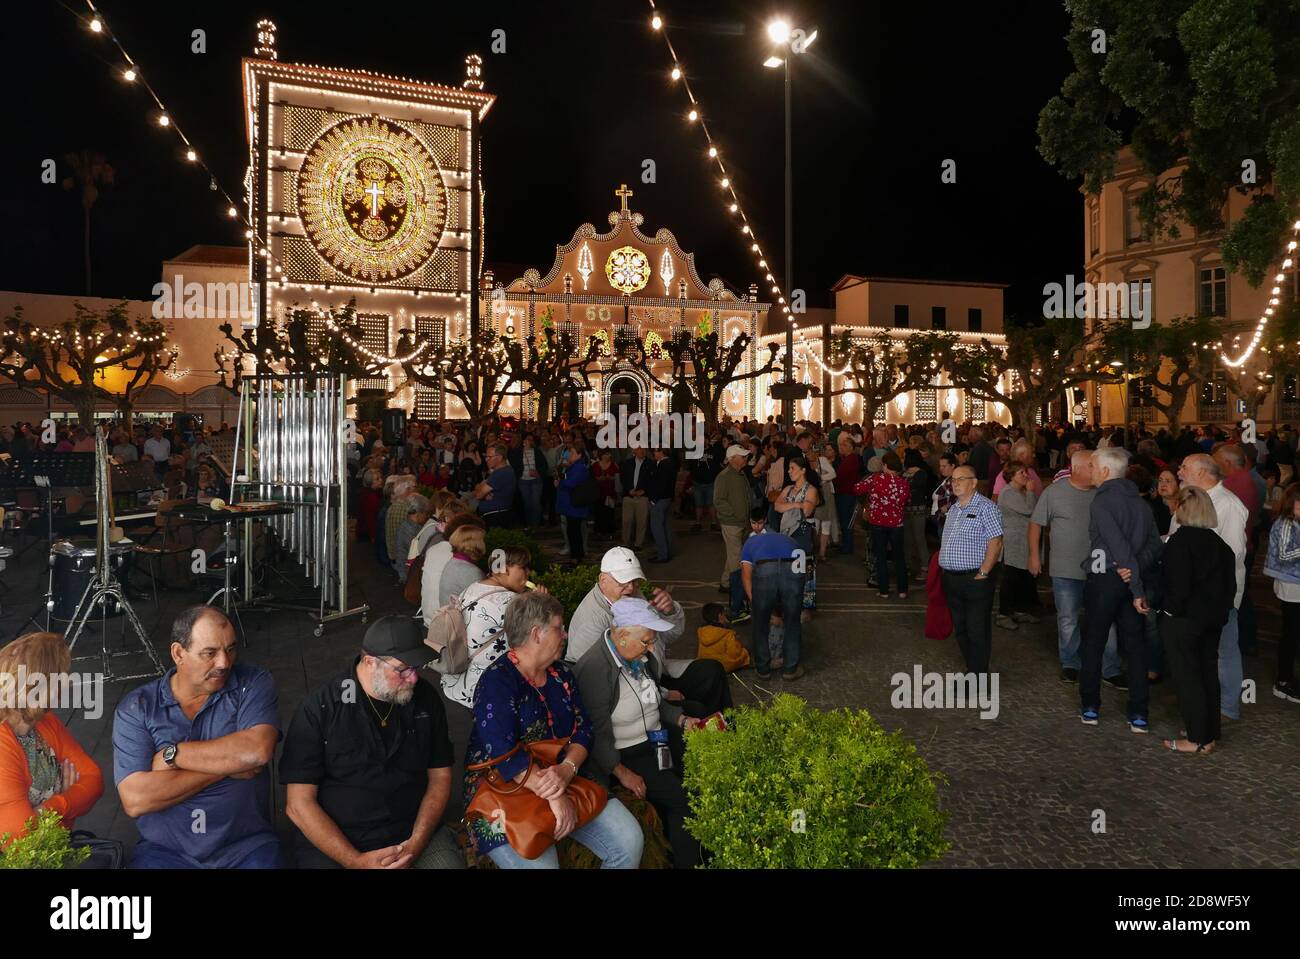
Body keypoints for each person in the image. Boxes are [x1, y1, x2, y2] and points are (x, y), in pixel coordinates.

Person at [463, 591, 644, 869]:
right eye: (560, 628)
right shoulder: (496, 682)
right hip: (503, 790)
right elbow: (502, 753)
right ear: (537, 634)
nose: (566, 634)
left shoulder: (561, 674)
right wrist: (556, 796)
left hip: (563, 775)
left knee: (629, 841)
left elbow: (584, 730)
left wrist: (567, 769)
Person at [280, 617, 463, 868]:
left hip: (412, 830)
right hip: (340, 839)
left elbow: (440, 777)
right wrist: (354, 860)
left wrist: (416, 843)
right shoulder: (321, 709)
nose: (414, 678)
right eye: (402, 669)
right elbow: (298, 805)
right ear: (370, 662)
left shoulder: (425, 700)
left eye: (417, 667)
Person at [113, 607, 281, 868]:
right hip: (165, 852)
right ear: (179, 653)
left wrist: (174, 755)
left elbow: (256, 751)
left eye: (231, 649)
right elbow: (136, 800)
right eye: (210, 653)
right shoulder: (138, 707)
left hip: (246, 846)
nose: (225, 662)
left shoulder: (252, 683)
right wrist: (226, 767)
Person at [573, 597, 703, 869]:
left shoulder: (636, 657)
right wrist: (620, 771)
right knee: (684, 801)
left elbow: (653, 699)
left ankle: (699, 847)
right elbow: (594, 730)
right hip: (628, 753)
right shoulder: (596, 669)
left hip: (657, 740)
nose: (650, 648)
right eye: (646, 641)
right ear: (621, 636)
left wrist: (680, 719)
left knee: (699, 770)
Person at [567, 547, 731, 716]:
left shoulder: (632, 595)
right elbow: (601, 682)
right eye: (623, 582)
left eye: (635, 581)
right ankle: (705, 732)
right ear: (603, 580)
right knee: (694, 710)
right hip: (629, 691)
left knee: (712, 671)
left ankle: (724, 729)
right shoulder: (591, 619)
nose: (631, 587)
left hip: (654, 671)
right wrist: (663, 693)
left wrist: (670, 612)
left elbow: (667, 635)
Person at [1143, 487, 1235, 753]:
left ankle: (1197, 738)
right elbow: (1231, 586)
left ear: (1182, 508)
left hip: (1184, 621)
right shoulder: (1221, 545)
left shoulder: (1180, 542)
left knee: (1188, 677)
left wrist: (1167, 611)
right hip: (1213, 620)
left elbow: (1177, 589)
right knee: (1207, 674)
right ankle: (1208, 731)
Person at [1079, 448, 1159, 733]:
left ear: (1103, 471)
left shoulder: (1101, 503)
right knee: (1135, 646)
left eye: (1091, 466)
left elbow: (1116, 544)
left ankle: (1090, 706)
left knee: (1093, 642)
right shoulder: (1141, 504)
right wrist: (1135, 568)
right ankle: (1139, 712)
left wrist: (1131, 576)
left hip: (1107, 581)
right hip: (1130, 579)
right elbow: (1154, 546)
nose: (1087, 470)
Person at [1028, 450, 1122, 684]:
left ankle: (1109, 667)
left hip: (1100, 569)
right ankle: (1071, 663)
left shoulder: (1103, 493)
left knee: (1105, 619)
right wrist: (1034, 556)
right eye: (1093, 466)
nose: (1097, 470)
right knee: (1068, 618)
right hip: (1065, 569)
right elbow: (1036, 524)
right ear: (1078, 468)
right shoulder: (1054, 492)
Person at [0, 633, 104, 844]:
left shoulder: (45, 722)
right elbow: (22, 839)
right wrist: (69, 802)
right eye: (62, 676)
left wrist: (54, 807)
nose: (67, 684)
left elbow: (94, 779)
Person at [1172, 454, 1248, 723]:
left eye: (1184, 467)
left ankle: (1227, 706)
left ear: (1204, 473)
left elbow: (1234, 553)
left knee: (1224, 650)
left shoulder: (1228, 504)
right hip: (1193, 596)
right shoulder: (1191, 497)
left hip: (1215, 596)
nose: (1179, 471)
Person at [937, 466, 1003, 674]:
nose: (955, 483)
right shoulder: (954, 508)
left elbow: (996, 541)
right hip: (951, 579)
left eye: (961, 479)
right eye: (953, 480)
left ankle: (977, 675)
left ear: (973, 483)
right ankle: (973, 668)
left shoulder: (987, 507)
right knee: (961, 628)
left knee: (977, 629)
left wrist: (983, 572)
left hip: (975, 578)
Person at [740, 506, 808, 680]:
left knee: (760, 624)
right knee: (793, 621)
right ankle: (790, 669)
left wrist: (756, 603)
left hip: (765, 567)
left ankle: (763, 669)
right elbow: (803, 572)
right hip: (794, 565)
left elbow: (746, 575)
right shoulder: (788, 540)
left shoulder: (749, 543)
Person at [1263, 482, 1300, 704]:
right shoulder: (1286, 523)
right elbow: (1285, 555)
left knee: (1293, 632)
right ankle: (1283, 680)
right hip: (1291, 585)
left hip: (1295, 583)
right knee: (1291, 633)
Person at [996, 461, 1039, 629]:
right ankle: (1003, 614)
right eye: (1021, 473)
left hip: (1023, 541)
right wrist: (1030, 491)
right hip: (1013, 542)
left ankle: (1020, 610)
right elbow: (1029, 509)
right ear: (1011, 476)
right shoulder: (1007, 493)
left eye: (1025, 472)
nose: (1026, 475)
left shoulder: (1018, 491)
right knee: (1010, 579)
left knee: (1023, 577)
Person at [862, 451, 910, 599]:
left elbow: (857, 488)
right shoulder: (904, 482)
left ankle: (884, 590)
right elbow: (906, 501)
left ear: (885, 465)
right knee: (899, 557)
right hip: (897, 524)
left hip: (878, 523)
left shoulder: (876, 479)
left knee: (881, 556)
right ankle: (903, 590)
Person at [714, 443, 754, 593]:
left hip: (740, 522)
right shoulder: (724, 476)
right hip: (731, 523)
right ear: (732, 459)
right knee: (736, 558)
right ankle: (737, 587)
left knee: (733, 554)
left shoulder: (740, 474)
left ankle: (725, 583)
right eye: (742, 456)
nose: (745, 458)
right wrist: (735, 513)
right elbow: (718, 501)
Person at [556, 443, 592, 561]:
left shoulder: (579, 467)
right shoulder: (575, 466)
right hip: (571, 504)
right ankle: (576, 555)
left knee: (574, 532)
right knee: (573, 530)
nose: (569, 455)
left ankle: (576, 556)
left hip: (574, 505)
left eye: (572, 453)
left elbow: (571, 483)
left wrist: (560, 483)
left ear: (579, 455)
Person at [437, 523, 489, 606]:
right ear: (475, 544)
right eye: (483, 540)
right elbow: (487, 602)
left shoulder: (454, 562)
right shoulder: (469, 571)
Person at [509, 432, 549, 530]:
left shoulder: (536, 451)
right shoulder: (518, 451)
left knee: (536, 502)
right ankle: (529, 523)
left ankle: (535, 524)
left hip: (536, 480)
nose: (529, 441)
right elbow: (513, 464)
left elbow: (544, 465)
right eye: (527, 439)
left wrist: (539, 473)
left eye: (531, 440)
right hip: (523, 480)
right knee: (527, 503)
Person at [473, 444, 517, 528]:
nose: (486, 459)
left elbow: (478, 495)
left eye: (489, 457)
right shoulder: (501, 471)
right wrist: (484, 493)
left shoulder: (501, 473)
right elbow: (479, 489)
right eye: (486, 456)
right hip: (496, 515)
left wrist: (482, 491)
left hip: (496, 517)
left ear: (499, 457)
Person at [391, 494, 431, 585]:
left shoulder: (409, 525)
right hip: (407, 574)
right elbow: (419, 554)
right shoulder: (409, 530)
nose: (427, 516)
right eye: (426, 513)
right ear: (419, 513)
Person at [647, 447, 678, 564]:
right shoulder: (670, 463)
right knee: (665, 526)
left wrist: (654, 499)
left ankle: (662, 554)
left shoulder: (663, 465)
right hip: (667, 498)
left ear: (661, 452)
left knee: (657, 528)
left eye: (655, 451)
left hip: (660, 500)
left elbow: (661, 484)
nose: (653, 453)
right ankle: (667, 551)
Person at [833, 432, 862, 555]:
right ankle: (846, 544)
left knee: (846, 521)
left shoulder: (850, 460)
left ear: (849, 447)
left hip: (846, 494)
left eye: (843, 446)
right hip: (846, 493)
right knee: (845, 521)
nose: (841, 448)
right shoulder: (849, 459)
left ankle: (847, 547)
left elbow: (841, 477)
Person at [620, 446, 652, 548]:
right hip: (628, 496)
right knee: (626, 521)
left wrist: (644, 491)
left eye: (644, 449)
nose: (642, 451)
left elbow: (653, 480)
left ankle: (638, 544)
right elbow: (623, 478)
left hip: (643, 497)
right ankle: (625, 543)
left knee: (641, 522)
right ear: (634, 451)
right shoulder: (627, 463)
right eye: (639, 449)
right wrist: (629, 490)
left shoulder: (650, 464)